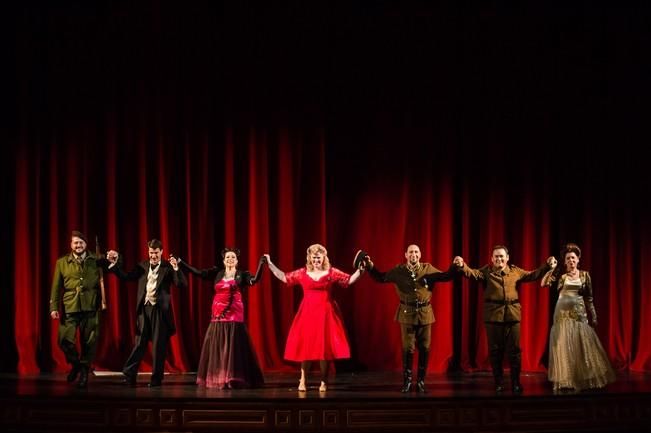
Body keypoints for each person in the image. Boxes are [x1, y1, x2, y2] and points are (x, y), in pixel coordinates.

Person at [454, 245, 556, 394]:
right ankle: (499, 382)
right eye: (496, 256)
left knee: (515, 351)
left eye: (502, 256)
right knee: (495, 351)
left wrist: (546, 265)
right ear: (492, 258)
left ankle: (515, 382)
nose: (499, 259)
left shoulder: (515, 271)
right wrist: (462, 265)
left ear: (507, 258)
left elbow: (532, 275)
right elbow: (472, 274)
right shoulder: (487, 272)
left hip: (512, 315)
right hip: (493, 316)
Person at [264, 244, 364, 392]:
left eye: (319, 256)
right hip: (307, 313)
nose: (316, 259)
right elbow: (284, 277)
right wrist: (270, 264)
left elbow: (348, 280)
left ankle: (324, 381)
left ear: (324, 257)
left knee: (324, 348)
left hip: (325, 314)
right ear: (310, 258)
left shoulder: (331, 272)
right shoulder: (302, 273)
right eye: (314, 256)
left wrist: (360, 271)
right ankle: (303, 379)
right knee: (306, 348)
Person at [362, 245, 457, 393]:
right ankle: (407, 381)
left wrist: (455, 265)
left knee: (425, 348)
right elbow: (380, 277)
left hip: (425, 314)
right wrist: (369, 266)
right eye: (411, 252)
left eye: (416, 252)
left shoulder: (428, 269)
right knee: (408, 349)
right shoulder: (399, 271)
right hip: (407, 314)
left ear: (420, 254)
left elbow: (446, 276)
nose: (413, 254)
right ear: (406, 255)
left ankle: (420, 381)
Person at [177, 248, 265, 389]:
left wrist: (261, 265)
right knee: (219, 345)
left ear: (236, 261)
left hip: (234, 313)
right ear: (224, 261)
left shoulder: (241, 274)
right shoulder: (217, 274)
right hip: (217, 313)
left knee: (233, 345)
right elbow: (198, 273)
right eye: (228, 257)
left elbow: (254, 280)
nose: (230, 259)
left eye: (233, 257)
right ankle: (220, 376)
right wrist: (181, 263)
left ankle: (233, 377)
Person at [106, 239, 187, 387]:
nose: (153, 256)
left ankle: (156, 380)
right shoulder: (142, 266)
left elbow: (180, 284)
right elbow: (127, 276)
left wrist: (176, 268)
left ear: (161, 252)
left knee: (158, 346)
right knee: (139, 344)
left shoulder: (167, 267)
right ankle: (130, 376)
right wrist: (114, 265)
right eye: (151, 253)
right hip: (144, 310)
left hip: (160, 312)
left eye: (156, 253)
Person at [542, 243, 616, 392]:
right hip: (562, 313)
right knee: (564, 343)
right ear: (565, 261)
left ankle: (582, 377)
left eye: (573, 258)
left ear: (578, 260)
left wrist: (593, 315)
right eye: (568, 258)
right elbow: (544, 284)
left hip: (579, 312)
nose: (571, 261)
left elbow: (589, 298)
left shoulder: (585, 275)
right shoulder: (561, 276)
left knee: (580, 342)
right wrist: (551, 269)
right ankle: (566, 379)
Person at [49, 230, 109, 388]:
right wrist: (53, 307)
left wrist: (116, 257)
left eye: (81, 242)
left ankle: (83, 372)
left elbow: (116, 266)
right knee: (64, 340)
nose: (78, 245)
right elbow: (56, 287)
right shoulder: (62, 262)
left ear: (85, 244)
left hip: (91, 305)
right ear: (71, 245)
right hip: (70, 306)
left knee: (89, 342)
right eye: (75, 243)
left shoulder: (96, 259)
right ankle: (77, 365)